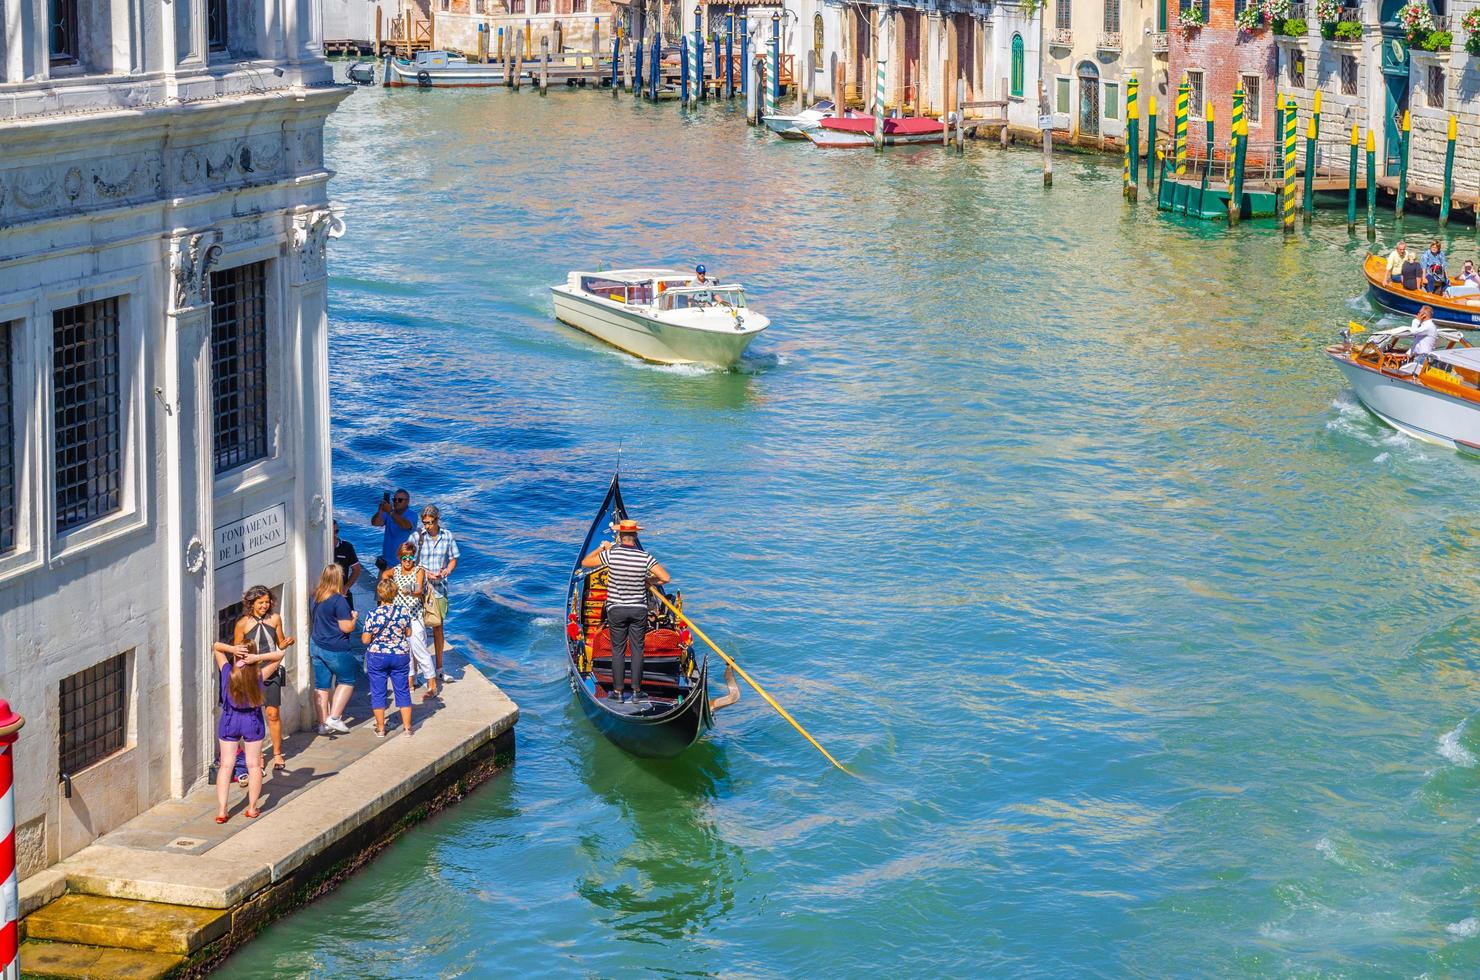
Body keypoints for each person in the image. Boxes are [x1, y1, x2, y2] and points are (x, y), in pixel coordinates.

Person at [580, 518, 670, 703]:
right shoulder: (645, 557)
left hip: (616, 610)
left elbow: (585, 562)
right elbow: (665, 578)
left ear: (620, 536)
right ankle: (637, 692)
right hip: (638, 610)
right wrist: (649, 582)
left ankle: (618, 693)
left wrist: (603, 548)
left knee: (618, 651)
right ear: (635, 536)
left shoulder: (612, 555)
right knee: (637, 650)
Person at [231, 586, 292, 773]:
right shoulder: (242, 624)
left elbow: (279, 642)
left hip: (271, 671)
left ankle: (277, 753)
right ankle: (258, 755)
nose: (265, 605)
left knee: (273, 713)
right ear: (252, 604)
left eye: (267, 602)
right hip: (251, 675)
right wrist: (237, 675)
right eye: (261, 603)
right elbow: (236, 651)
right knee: (254, 717)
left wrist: (287, 642)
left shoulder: (275, 619)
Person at [214, 639, 271, 822]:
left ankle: (223, 810)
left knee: (226, 765)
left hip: (230, 720)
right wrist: (257, 657)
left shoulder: (227, 673)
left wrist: (232, 649)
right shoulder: (260, 675)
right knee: (253, 765)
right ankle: (252, 808)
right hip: (252, 721)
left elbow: (216, 647)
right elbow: (280, 655)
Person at [362, 578, 416, 738]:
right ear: (395, 594)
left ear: (379, 594)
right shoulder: (403, 612)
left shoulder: (372, 614)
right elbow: (409, 633)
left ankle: (381, 728)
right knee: (403, 690)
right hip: (400, 655)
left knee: (378, 692)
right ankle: (407, 728)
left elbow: (365, 639)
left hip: (377, 656)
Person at [309, 564, 359, 734]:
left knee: (322, 685)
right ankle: (334, 717)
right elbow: (346, 628)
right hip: (336, 648)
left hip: (316, 645)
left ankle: (322, 724)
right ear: (339, 579)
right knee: (347, 680)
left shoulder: (315, 596)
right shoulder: (339, 600)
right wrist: (354, 619)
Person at [385, 540, 438, 701]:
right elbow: (384, 575)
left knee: (420, 650)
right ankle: (410, 682)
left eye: (410, 557)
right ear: (400, 557)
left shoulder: (418, 571)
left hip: (414, 618)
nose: (407, 561)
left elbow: (419, 589)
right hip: (400, 619)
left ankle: (432, 685)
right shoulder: (394, 571)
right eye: (404, 557)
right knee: (405, 652)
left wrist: (407, 590)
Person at [412, 505, 459, 684]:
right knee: (417, 630)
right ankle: (415, 672)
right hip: (420, 589)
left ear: (437, 520)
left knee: (438, 627)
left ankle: (439, 669)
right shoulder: (417, 536)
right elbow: (406, 558)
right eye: (424, 523)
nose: (427, 526)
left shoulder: (447, 536)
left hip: (439, 588)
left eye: (430, 523)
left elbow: (454, 558)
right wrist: (424, 572)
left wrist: (447, 570)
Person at [371, 489, 415, 574]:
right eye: (394, 500)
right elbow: (375, 523)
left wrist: (390, 512)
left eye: (400, 500)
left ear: (407, 501)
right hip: (386, 564)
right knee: (380, 587)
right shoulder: (388, 513)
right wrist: (380, 511)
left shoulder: (412, 515)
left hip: (403, 564)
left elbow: (405, 525)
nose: (397, 502)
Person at [333, 520, 362, 612]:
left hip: (342, 591)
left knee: (349, 620)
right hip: (325, 592)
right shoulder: (318, 546)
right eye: (332, 531)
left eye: (336, 531)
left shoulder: (347, 547)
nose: (334, 534)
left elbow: (356, 570)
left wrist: (346, 587)